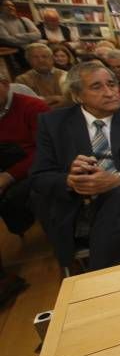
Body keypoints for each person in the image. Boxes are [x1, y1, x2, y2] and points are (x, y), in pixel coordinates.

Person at [30, 61, 120, 270]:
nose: (109, 92)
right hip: (79, 203)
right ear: (77, 95)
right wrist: (71, 180)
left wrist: (115, 179)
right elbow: (39, 176)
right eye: (96, 87)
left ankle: (100, 276)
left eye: (112, 84)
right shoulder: (52, 124)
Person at [0, 72, 49, 236]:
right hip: (6, 164)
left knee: (15, 197)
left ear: (5, 85)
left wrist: (8, 176)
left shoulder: (34, 107)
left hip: (36, 166)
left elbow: (45, 151)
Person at [14, 43, 67, 108]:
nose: (41, 60)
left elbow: (73, 99)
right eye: (35, 57)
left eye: (44, 56)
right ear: (28, 60)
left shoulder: (66, 75)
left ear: (52, 58)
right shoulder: (22, 80)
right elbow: (26, 105)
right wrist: (55, 99)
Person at [0, 0, 40, 72]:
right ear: (0, 8)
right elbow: (8, 40)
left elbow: (37, 35)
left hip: (34, 50)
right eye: (6, 5)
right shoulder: (1, 23)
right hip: (17, 54)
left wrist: (18, 36)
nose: (11, 7)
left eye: (12, 5)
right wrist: (29, 37)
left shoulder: (25, 20)